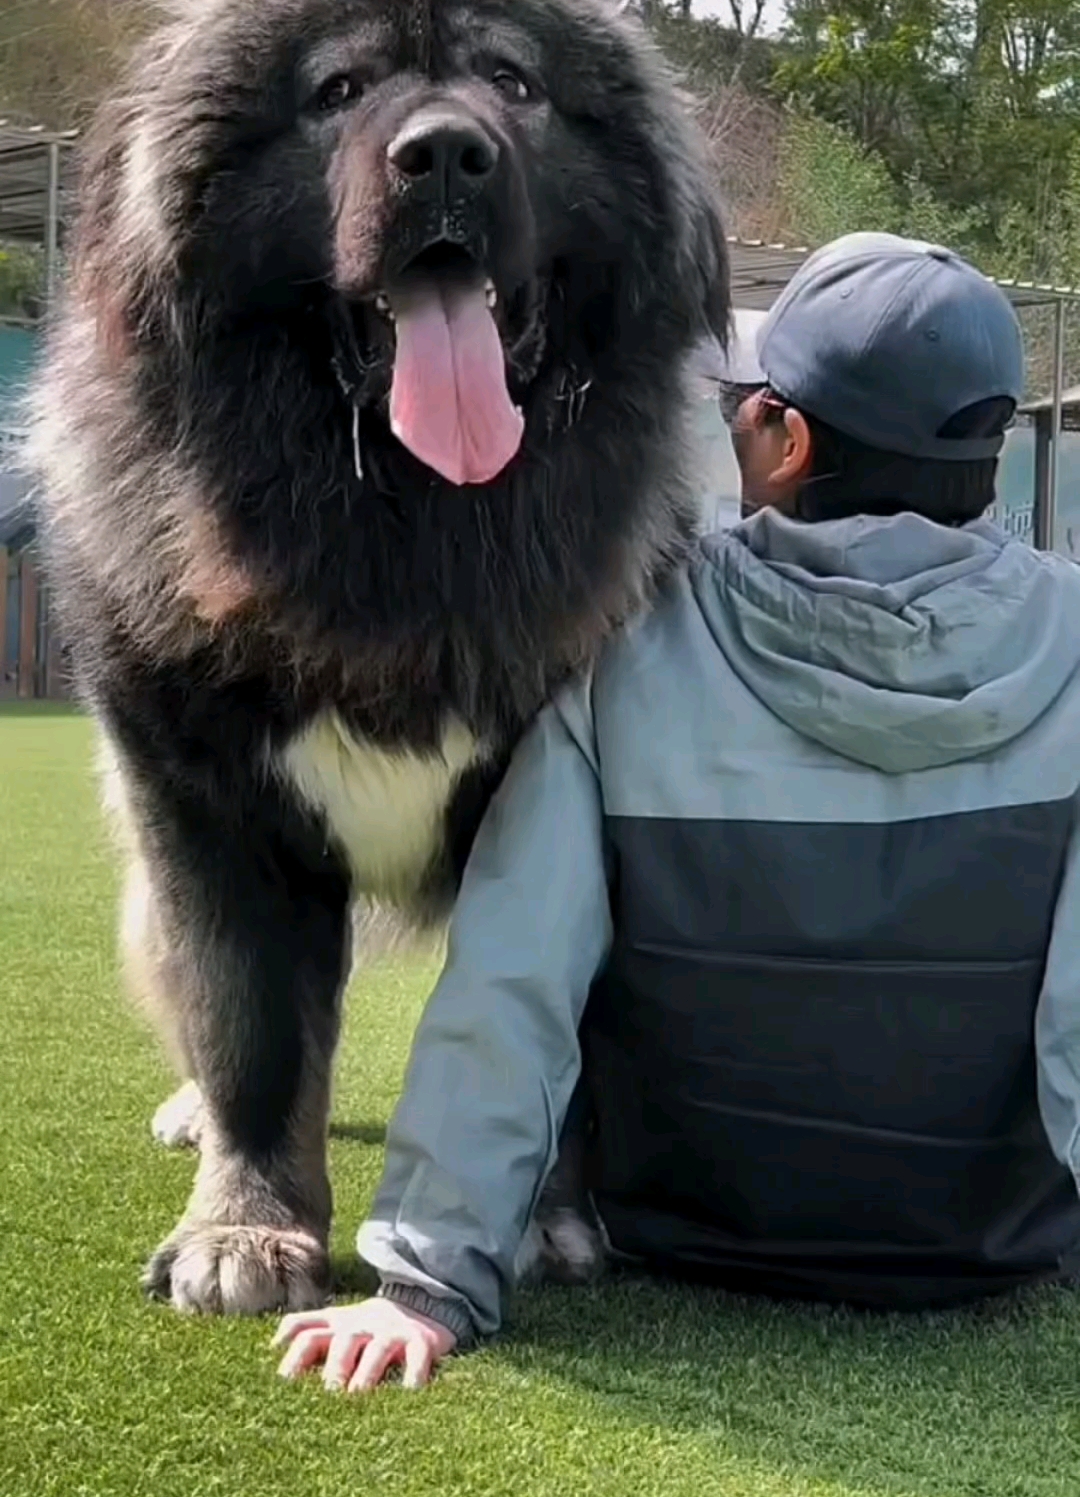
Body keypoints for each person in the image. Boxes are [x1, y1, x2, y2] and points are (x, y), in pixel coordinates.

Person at [274, 232, 1080, 1394]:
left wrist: (425, 1280)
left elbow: (516, 976)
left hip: (678, 1237)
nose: (737, 423)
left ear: (787, 441)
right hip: (983, 1256)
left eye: (748, 407)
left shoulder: (626, 639)